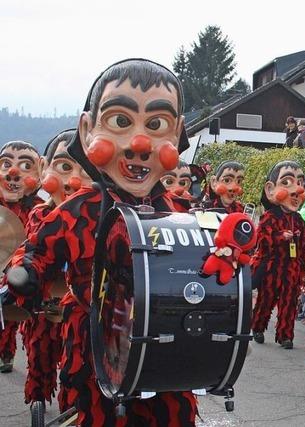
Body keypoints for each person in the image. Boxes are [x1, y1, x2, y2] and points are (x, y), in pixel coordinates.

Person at [6, 59, 198, 425]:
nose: (139, 144)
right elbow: (34, 253)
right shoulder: (77, 210)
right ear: (87, 129)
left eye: (156, 126)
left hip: (164, 350)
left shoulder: (180, 216)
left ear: (176, 137)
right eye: (121, 122)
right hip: (92, 348)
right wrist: (24, 273)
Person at [17, 129, 91, 410]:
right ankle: (38, 395)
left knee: (77, 368)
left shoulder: (102, 218)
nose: (73, 180)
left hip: (80, 309)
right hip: (44, 303)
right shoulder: (39, 214)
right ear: (45, 168)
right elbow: (31, 252)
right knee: (41, 354)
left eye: (85, 169)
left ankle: (73, 409)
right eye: (64, 167)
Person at [251, 160, 305, 349]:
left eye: (300, 183)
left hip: (291, 269)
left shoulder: (299, 220)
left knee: (289, 304)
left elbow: (303, 248)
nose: (297, 190)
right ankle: (258, 327)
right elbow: (261, 241)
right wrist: (279, 237)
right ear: (271, 189)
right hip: (272, 267)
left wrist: (304, 271)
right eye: (287, 183)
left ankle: (286, 335)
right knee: (265, 300)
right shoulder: (269, 216)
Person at [0, 140, 43, 374]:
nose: (13, 173)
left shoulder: (41, 208)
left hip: (27, 271)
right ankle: (4, 352)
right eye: (5, 164)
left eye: (26, 166)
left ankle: (12, 353)